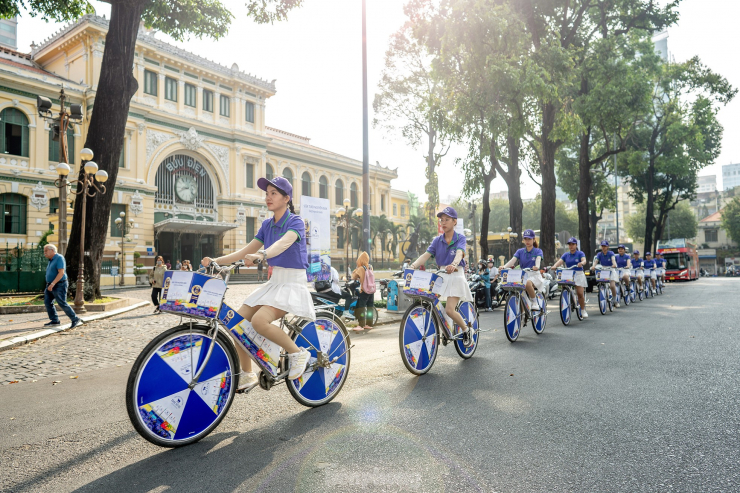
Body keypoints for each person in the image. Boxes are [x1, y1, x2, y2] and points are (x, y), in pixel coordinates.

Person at [201, 175, 312, 391]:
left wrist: (262, 254)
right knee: (235, 322)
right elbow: (244, 251)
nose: (268, 197)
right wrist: (215, 261)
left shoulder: (296, 222)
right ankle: (247, 373)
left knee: (260, 322)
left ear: (286, 198)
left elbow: (283, 243)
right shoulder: (267, 225)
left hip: (292, 283)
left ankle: (298, 353)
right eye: (267, 193)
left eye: (274, 193)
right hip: (274, 282)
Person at [409, 207, 474, 345]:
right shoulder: (437, 240)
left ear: (454, 222)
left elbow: (459, 253)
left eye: (447, 220)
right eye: (441, 220)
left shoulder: (460, 238)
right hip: (441, 275)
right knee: (432, 302)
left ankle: (466, 329)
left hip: (456, 274)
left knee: (450, 309)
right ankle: (446, 328)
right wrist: (413, 266)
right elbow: (426, 255)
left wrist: (454, 264)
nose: (443, 223)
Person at [502, 229, 544, 314]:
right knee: (518, 290)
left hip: (534, 275)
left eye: (529, 239)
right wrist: (504, 266)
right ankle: (522, 315)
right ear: (523, 240)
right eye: (526, 239)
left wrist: (537, 266)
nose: (527, 241)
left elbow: (538, 260)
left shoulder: (538, 251)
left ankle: (534, 302)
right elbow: (512, 261)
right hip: (523, 275)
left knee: (527, 283)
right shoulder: (520, 251)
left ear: (534, 239)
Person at [43, 244, 83, 328]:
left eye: (46, 251)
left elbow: (61, 273)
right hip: (50, 285)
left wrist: (53, 284)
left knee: (62, 302)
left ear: (52, 250)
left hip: (59, 284)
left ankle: (75, 319)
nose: (44, 253)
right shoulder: (51, 260)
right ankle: (55, 321)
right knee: (47, 302)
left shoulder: (59, 258)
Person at [551, 237, 589, 318]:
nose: (571, 246)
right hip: (568, 274)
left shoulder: (580, 253)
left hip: (578, 274)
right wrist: (554, 266)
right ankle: (569, 300)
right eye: (569, 245)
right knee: (564, 285)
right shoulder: (566, 254)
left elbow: (584, 260)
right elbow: (560, 261)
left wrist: (581, 263)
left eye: (573, 244)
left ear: (576, 245)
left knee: (579, 293)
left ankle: (583, 310)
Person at [351, 252, 376, 331]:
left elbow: (353, 277)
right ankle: (369, 324)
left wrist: (357, 268)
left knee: (361, 307)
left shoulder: (361, 268)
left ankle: (361, 325)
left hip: (364, 290)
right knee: (370, 307)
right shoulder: (370, 267)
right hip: (371, 290)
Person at [592, 240, 620, 307]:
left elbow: (613, 260)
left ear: (608, 247)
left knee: (612, 286)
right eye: (602, 246)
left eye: (605, 246)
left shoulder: (611, 253)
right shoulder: (599, 254)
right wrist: (593, 266)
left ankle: (615, 300)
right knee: (600, 281)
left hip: (610, 269)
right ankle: (602, 291)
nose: (603, 247)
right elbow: (596, 261)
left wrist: (614, 264)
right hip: (603, 269)